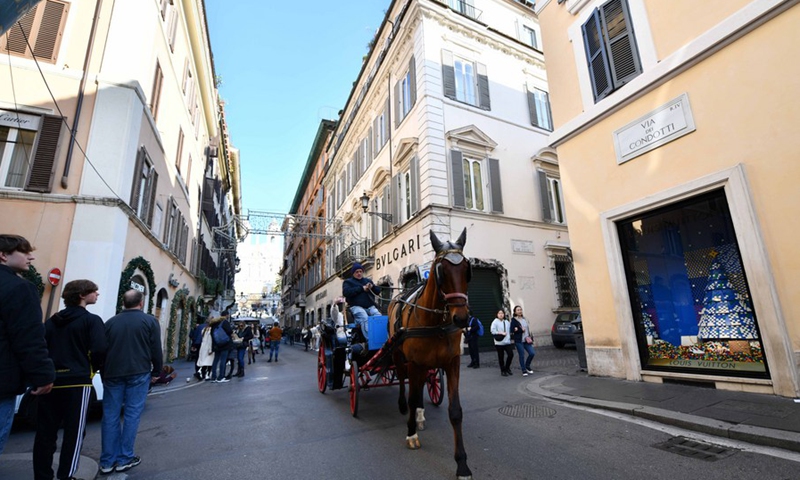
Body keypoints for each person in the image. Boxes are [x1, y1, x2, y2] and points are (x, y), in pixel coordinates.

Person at [33, 279, 105, 480]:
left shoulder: (51, 322)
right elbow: (99, 349)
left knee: (45, 434)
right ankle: (67, 475)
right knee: (74, 434)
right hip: (78, 382)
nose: (97, 295)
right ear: (83, 295)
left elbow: (41, 347)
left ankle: (42, 476)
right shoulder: (92, 321)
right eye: (94, 291)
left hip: (52, 381)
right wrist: (93, 368)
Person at [0, 234, 55, 456]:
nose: (30, 257)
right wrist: (43, 375)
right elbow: (29, 337)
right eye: (24, 252)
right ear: (3, 255)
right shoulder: (19, 288)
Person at [99, 289, 162, 475]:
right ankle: (125, 457)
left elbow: (102, 349)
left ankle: (107, 461)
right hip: (139, 371)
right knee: (132, 414)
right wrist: (157, 371)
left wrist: (103, 372)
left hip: (112, 373)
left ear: (123, 303)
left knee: (110, 416)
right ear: (141, 303)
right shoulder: (150, 321)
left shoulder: (110, 323)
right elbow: (156, 349)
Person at [342, 262, 381, 337]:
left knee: (378, 317)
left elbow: (378, 291)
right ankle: (370, 341)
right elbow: (346, 293)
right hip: (356, 307)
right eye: (357, 272)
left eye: (360, 271)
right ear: (353, 273)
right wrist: (361, 288)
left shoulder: (367, 281)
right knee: (365, 318)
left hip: (370, 307)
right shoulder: (348, 282)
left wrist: (372, 287)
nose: (359, 273)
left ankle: (380, 339)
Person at [510, 306, 535, 376]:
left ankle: (527, 365)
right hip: (519, 340)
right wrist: (520, 330)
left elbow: (527, 328)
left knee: (532, 353)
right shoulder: (514, 320)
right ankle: (523, 369)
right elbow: (512, 329)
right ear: (515, 312)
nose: (520, 311)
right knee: (522, 355)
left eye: (520, 310)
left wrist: (530, 336)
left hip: (526, 339)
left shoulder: (525, 319)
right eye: (518, 310)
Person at [209, 316, 234, 383]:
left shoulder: (213, 325)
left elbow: (212, 335)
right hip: (224, 344)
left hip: (216, 345)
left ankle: (213, 377)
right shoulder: (224, 322)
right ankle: (221, 376)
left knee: (215, 360)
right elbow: (229, 331)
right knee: (223, 360)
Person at [490, 309, 514, 377]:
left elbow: (510, 330)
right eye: (499, 313)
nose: (501, 315)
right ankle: (503, 370)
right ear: (497, 314)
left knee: (510, 354)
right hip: (499, 342)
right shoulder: (495, 322)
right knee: (501, 357)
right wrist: (501, 333)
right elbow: (492, 331)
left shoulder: (506, 322)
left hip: (507, 342)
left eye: (502, 313)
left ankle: (507, 367)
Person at [190, 315, 208, 380]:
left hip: (198, 344)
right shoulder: (208, 327)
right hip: (205, 345)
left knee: (198, 358)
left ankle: (197, 372)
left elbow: (194, 336)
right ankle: (203, 373)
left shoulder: (199, 327)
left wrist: (193, 345)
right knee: (204, 359)